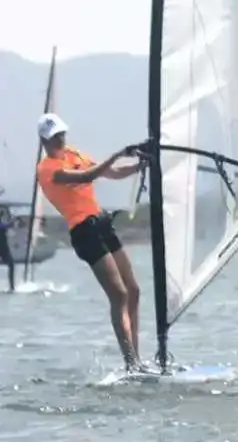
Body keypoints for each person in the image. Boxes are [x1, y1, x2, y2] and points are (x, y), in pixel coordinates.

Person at [34, 114, 146, 369]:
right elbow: (86, 177)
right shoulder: (46, 169)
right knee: (119, 295)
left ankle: (139, 360)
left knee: (134, 291)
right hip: (84, 232)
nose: (59, 140)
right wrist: (118, 153)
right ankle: (131, 363)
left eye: (61, 134)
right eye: (53, 138)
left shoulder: (74, 153)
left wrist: (140, 165)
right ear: (44, 141)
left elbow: (112, 173)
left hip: (102, 223)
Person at [0, 195, 14, 293]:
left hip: (4, 248)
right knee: (11, 265)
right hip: (2, 248)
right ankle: (11, 287)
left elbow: (6, 226)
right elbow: (5, 226)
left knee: (11, 265)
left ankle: (11, 287)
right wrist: (12, 222)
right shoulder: (2, 225)